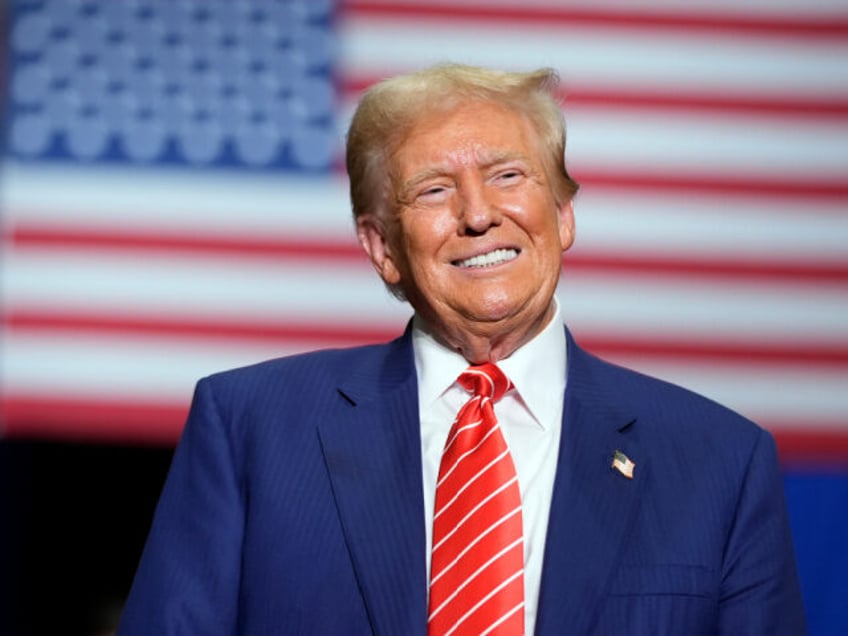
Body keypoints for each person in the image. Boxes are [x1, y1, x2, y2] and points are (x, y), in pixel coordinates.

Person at [119, 64, 805, 635]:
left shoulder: (721, 462)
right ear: (383, 248)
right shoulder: (251, 428)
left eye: (508, 176)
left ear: (563, 215)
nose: (479, 215)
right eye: (435, 190)